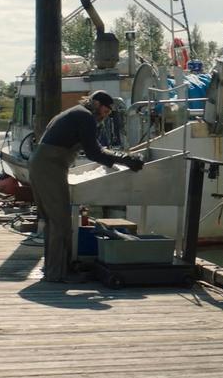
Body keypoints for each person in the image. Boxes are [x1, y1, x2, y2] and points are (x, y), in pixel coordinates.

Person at [29, 90, 144, 283]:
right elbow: (94, 153)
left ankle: (55, 269)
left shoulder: (76, 112)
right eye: (105, 111)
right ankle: (56, 273)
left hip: (42, 164)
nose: (105, 116)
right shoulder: (85, 116)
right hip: (50, 167)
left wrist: (122, 157)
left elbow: (94, 149)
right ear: (97, 103)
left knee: (53, 220)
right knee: (60, 221)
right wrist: (126, 159)